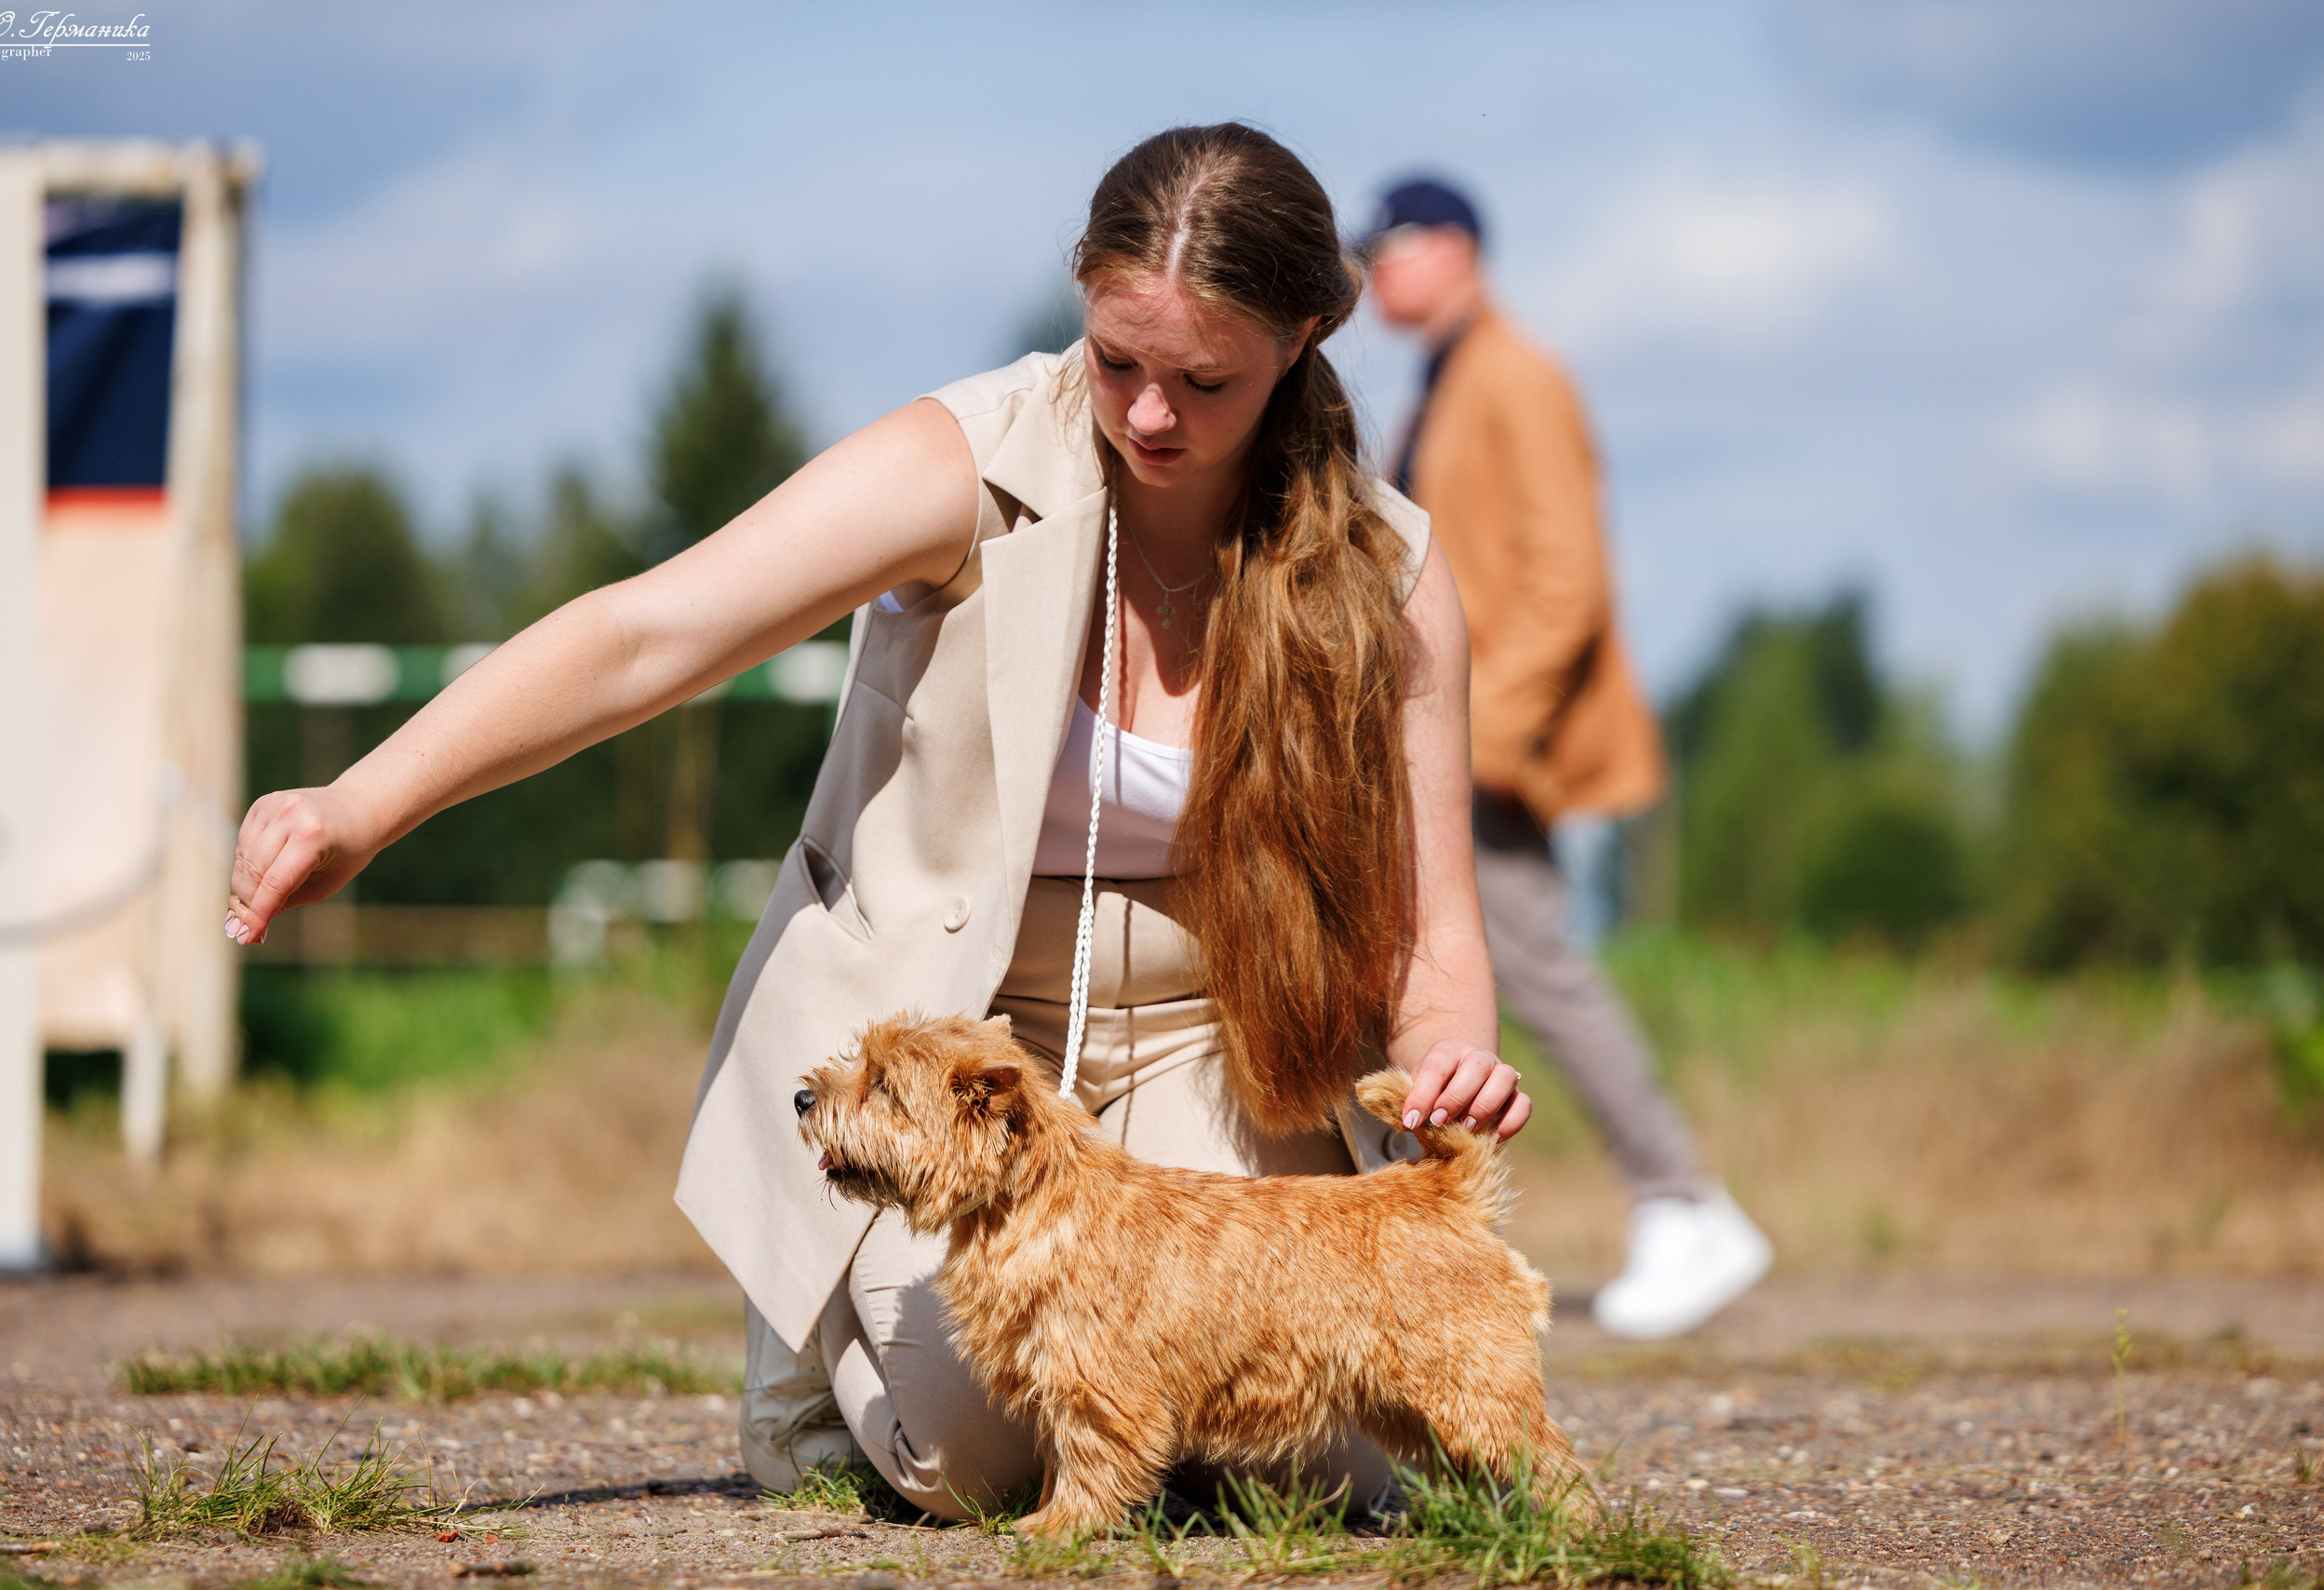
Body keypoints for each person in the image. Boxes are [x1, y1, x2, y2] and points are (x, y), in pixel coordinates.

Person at [224, 126, 1533, 1518]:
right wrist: (362, 800)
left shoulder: (1385, 572)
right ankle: (815, 1332)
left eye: (1205, 380)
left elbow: (1433, 926)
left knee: (1315, 1459)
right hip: (949, 1042)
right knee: (976, 1458)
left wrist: (1453, 1062)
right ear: (1080, 300)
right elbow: (648, 635)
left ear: (1306, 336)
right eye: (1116, 361)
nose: (1149, 415)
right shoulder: (964, 460)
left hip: (1226, 1052)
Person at [1361, 177, 1772, 1341]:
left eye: (1388, 245)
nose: (1371, 269)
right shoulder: (1448, 376)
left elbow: (1566, 577)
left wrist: (1483, 735)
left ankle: (1685, 1200)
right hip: (1457, 734)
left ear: (1457, 248)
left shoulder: (1515, 376)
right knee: (1513, 961)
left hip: (1486, 743)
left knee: (1532, 961)